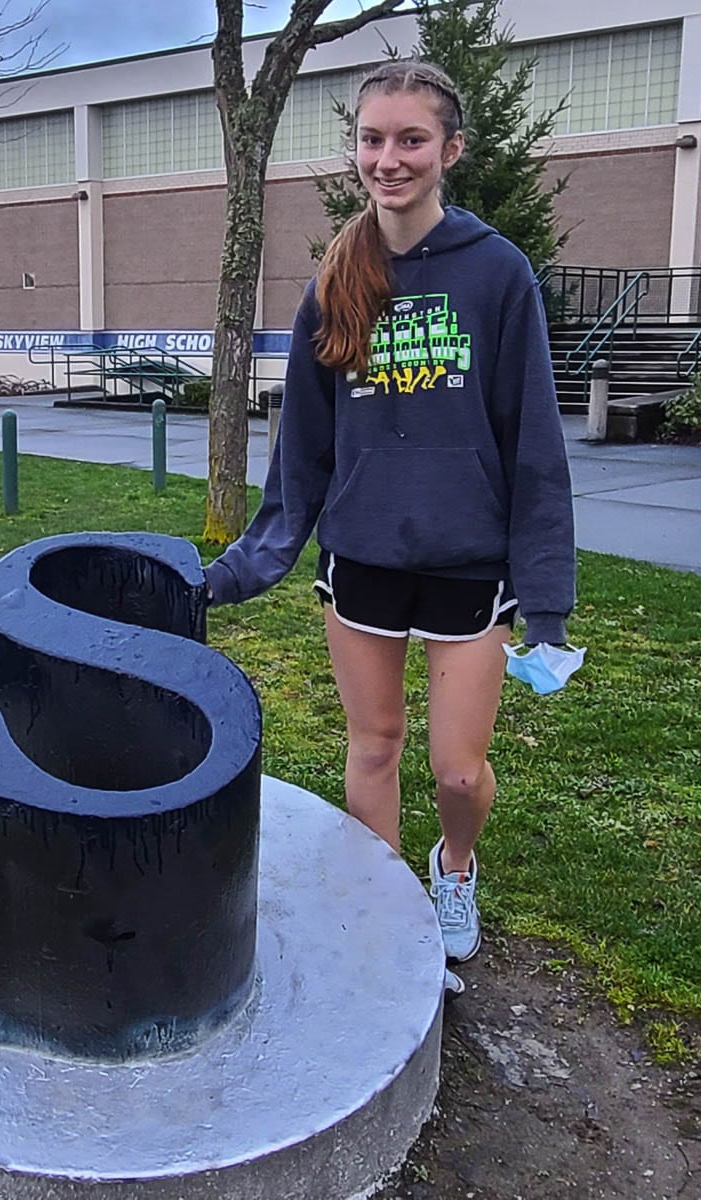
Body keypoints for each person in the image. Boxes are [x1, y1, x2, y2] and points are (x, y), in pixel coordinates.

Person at [204, 60, 576, 996]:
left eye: (410, 139)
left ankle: (452, 871)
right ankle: (384, 924)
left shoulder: (496, 274)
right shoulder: (337, 277)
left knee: (457, 772)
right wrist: (249, 565)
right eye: (372, 139)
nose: (388, 158)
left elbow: (532, 442)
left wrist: (547, 603)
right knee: (372, 748)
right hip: (363, 556)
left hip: (468, 566)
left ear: (449, 149)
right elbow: (304, 449)